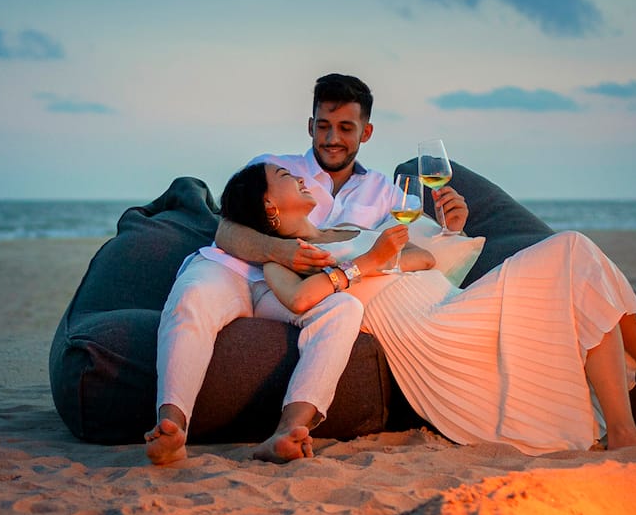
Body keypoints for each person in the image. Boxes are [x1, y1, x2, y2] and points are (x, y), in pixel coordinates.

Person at [221, 161, 636, 454]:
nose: (297, 175)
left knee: (575, 269)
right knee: (571, 247)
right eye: (283, 176)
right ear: (270, 206)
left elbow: (420, 259)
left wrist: (437, 236)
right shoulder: (281, 259)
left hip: (453, 302)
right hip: (432, 334)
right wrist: (370, 264)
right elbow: (300, 300)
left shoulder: (346, 231)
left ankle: (631, 415)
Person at [144, 73, 469, 466]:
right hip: (235, 269)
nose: (332, 137)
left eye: (345, 128)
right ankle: (171, 427)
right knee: (193, 298)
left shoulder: (386, 192)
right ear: (310, 125)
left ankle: (288, 431)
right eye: (324, 126)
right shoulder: (274, 167)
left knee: (344, 310)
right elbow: (227, 229)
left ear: (365, 133)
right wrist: (278, 250)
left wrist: (452, 229)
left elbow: (408, 246)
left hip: (302, 289)